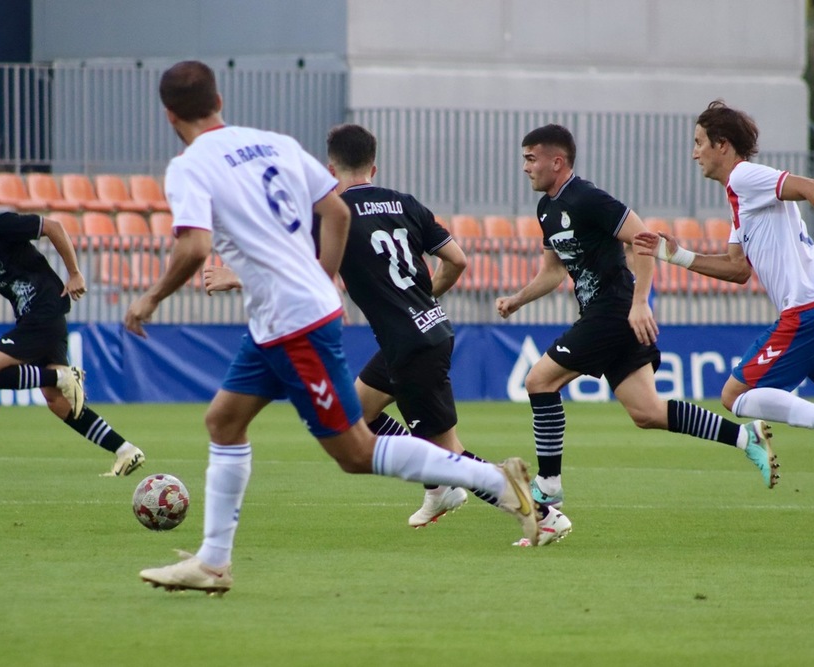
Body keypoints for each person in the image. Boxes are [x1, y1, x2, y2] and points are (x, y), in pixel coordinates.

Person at [124, 60, 541, 596]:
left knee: (355, 453)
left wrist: (151, 298)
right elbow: (337, 215)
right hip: (280, 317)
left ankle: (492, 480)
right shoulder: (273, 143)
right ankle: (213, 562)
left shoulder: (188, 167)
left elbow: (195, 246)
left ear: (168, 115)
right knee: (224, 421)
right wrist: (319, 278)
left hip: (293, 322)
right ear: (220, 101)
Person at [205, 123, 572, 545]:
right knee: (358, 413)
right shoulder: (403, 203)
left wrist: (235, 275)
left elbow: (292, 268)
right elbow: (457, 260)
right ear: (373, 166)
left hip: (411, 346)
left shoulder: (332, 213)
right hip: (427, 329)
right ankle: (439, 489)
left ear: (329, 168)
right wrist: (419, 299)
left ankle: (544, 516)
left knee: (449, 453)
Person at [496, 124, 780, 516]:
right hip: (612, 314)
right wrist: (517, 300)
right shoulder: (547, 208)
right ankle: (744, 437)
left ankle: (548, 487)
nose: (525, 167)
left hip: (614, 310)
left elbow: (643, 238)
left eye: (531, 158)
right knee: (647, 412)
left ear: (556, 161)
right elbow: (554, 271)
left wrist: (640, 302)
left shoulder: (587, 197)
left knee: (538, 380)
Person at [633, 99, 814, 484]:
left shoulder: (743, 177)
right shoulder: (740, 198)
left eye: (699, 141)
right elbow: (737, 269)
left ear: (722, 145)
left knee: (735, 396)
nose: (694, 152)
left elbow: (813, 186)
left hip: (810, 309)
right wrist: (678, 255)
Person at [0, 165, 145, 477]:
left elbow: (52, 226)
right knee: (57, 402)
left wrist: (75, 272)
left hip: (45, 308)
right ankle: (125, 450)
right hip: (34, 315)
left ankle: (65, 377)